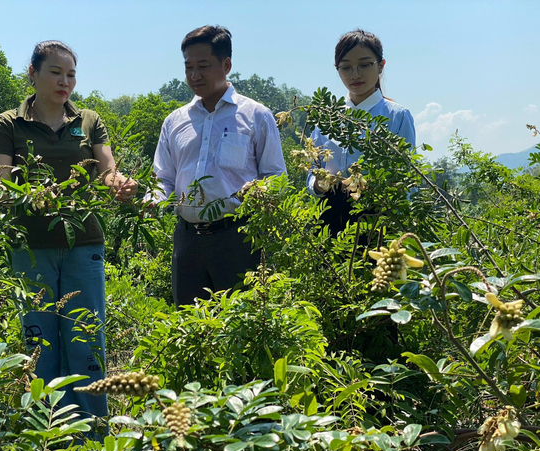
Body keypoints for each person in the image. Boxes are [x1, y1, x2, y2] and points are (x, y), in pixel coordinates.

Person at [0, 40, 138, 430]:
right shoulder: (8, 124)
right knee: (41, 342)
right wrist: (31, 195)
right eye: (55, 72)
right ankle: (48, 431)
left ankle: (94, 432)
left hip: (84, 242)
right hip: (30, 247)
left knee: (86, 337)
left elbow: (107, 169)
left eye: (70, 74)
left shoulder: (88, 120)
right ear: (33, 74)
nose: (64, 81)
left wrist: (120, 184)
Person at [151, 25, 286, 307]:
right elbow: (162, 177)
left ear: (226, 65)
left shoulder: (256, 116)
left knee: (240, 328)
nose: (194, 75)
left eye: (203, 66)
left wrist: (257, 191)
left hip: (237, 239)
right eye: (188, 67)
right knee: (189, 329)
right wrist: (153, 199)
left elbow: (276, 176)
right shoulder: (175, 122)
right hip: (187, 242)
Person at [307, 29, 416, 237]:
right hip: (329, 221)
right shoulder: (326, 119)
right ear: (337, 69)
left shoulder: (397, 116)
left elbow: (407, 180)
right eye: (346, 67)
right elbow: (311, 175)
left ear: (381, 66)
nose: (355, 74)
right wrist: (319, 185)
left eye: (365, 65)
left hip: (377, 220)